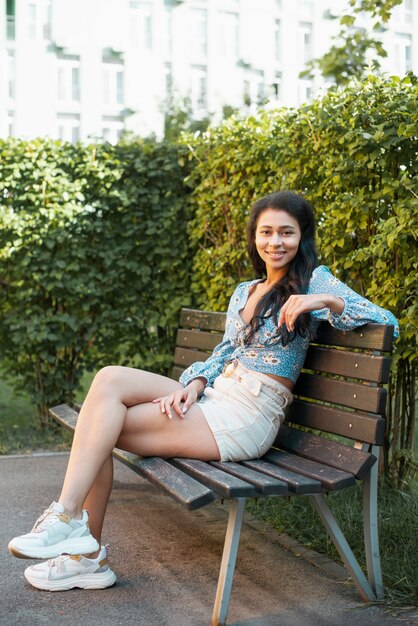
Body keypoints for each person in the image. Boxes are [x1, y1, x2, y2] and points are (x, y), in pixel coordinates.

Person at [8, 190, 398, 591]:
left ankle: (82, 550)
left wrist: (325, 300)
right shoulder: (245, 291)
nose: (275, 242)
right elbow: (224, 352)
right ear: (254, 237)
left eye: (287, 233)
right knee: (108, 380)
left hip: (248, 416)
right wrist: (195, 383)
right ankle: (72, 527)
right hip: (216, 396)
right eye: (266, 232)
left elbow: (385, 321)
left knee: (98, 430)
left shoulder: (315, 280)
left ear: (302, 237)